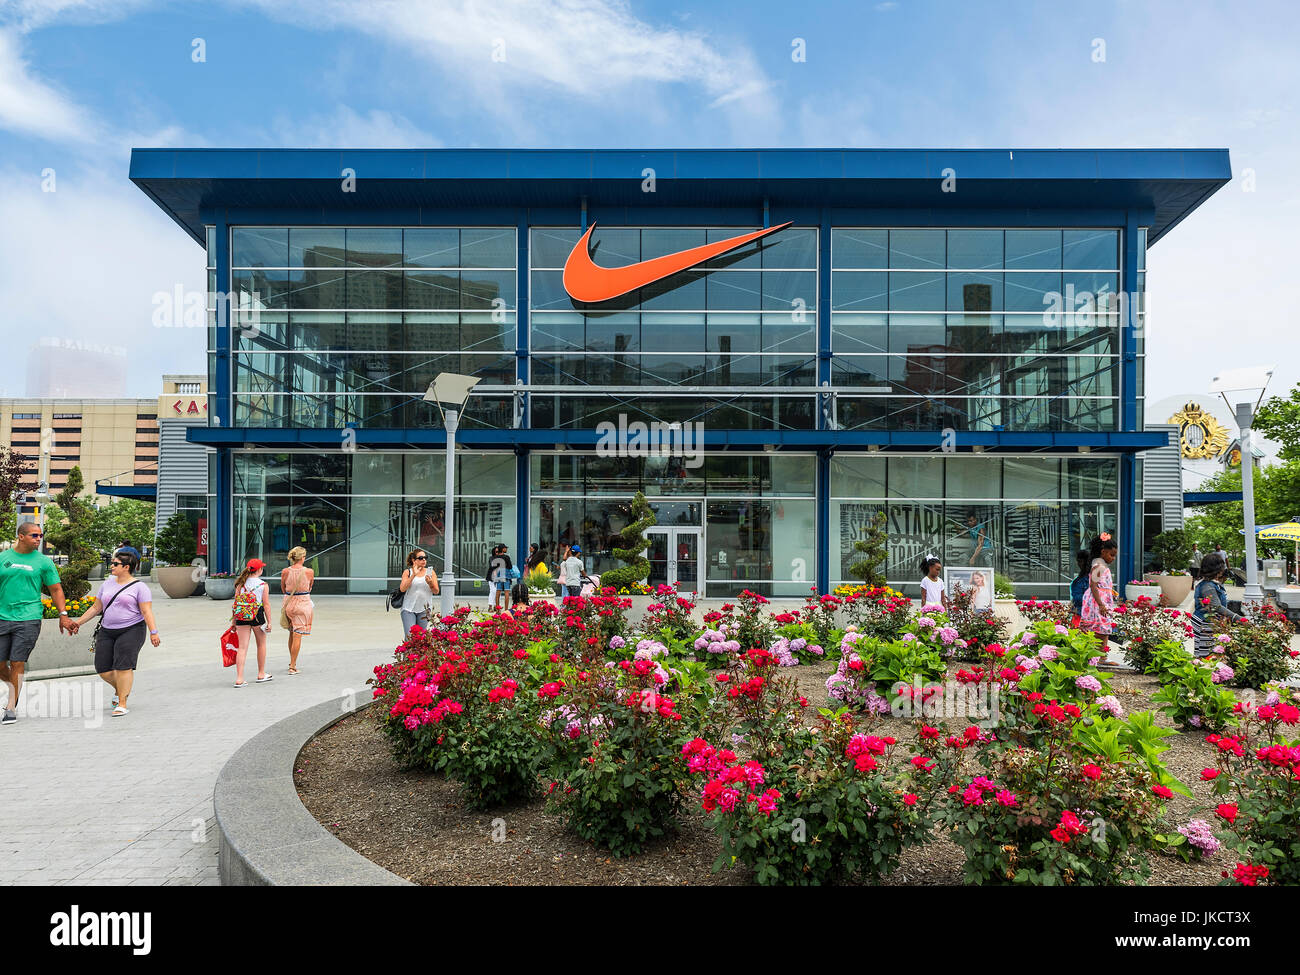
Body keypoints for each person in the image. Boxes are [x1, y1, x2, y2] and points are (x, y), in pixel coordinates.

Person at [71, 548, 159, 717]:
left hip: (132, 629)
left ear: (126, 567)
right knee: (103, 668)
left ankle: (122, 703)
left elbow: (147, 611)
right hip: (107, 630)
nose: (111, 566)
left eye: (115, 564)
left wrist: (154, 632)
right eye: (112, 563)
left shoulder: (140, 587)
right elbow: (96, 607)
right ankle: (121, 690)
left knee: (123, 666)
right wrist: (78, 623)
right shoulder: (107, 583)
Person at [0, 521, 73, 724]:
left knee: (17, 661)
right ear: (21, 536)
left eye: (40, 535)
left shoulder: (43, 562)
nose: (39, 539)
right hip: (2, 616)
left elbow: (56, 589)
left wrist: (63, 614)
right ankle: (14, 685)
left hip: (29, 617)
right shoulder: (3, 558)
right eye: (34, 535)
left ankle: (11, 706)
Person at [1190, 552, 1245, 657]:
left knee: (1210, 654)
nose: (1223, 569)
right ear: (1216, 568)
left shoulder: (1211, 584)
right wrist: (1238, 618)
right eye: (1222, 566)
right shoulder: (1208, 586)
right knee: (1206, 656)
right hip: (1205, 623)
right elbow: (1216, 606)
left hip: (1209, 622)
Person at [231, 559, 272, 687]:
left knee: (242, 647)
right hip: (257, 615)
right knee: (261, 644)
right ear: (259, 570)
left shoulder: (240, 584)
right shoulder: (263, 585)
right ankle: (261, 673)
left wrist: (233, 622)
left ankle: (239, 678)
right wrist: (269, 622)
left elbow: (235, 604)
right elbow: (266, 605)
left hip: (241, 616)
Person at [1079, 533, 1122, 650]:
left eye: (1115, 556)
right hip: (1096, 602)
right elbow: (1093, 585)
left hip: (1100, 601)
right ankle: (1096, 655)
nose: (1113, 558)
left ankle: (1101, 656)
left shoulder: (1100, 564)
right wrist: (1101, 604)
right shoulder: (1098, 565)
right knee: (1100, 630)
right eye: (1111, 555)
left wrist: (1110, 591)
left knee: (1104, 629)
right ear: (1103, 552)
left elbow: (1100, 584)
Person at [280, 547, 314, 675]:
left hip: (289, 602)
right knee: (297, 635)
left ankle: (291, 661)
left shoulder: (285, 571)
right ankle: (293, 666)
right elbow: (310, 586)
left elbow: (283, 588)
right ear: (303, 557)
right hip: (303, 603)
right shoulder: (309, 572)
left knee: (291, 633)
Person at [399, 548, 438, 637]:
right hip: (408, 608)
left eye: (425, 557)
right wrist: (413, 575)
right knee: (410, 636)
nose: (424, 560)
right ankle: (408, 651)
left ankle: (419, 652)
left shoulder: (430, 572)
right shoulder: (408, 572)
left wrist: (430, 583)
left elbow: (436, 591)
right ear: (414, 560)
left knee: (421, 637)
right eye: (420, 558)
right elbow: (402, 589)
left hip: (425, 609)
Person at [487, 543, 513, 612]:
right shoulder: (506, 557)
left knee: (497, 592)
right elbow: (510, 567)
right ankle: (506, 609)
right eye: (505, 548)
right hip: (506, 575)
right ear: (503, 549)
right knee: (506, 592)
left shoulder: (495, 557)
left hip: (498, 576)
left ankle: (498, 609)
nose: (506, 549)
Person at [1069, 549, 1092, 616]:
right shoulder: (1078, 581)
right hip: (1080, 614)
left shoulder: (1093, 577)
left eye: (1081, 561)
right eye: (1078, 561)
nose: (1079, 564)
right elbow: (1077, 599)